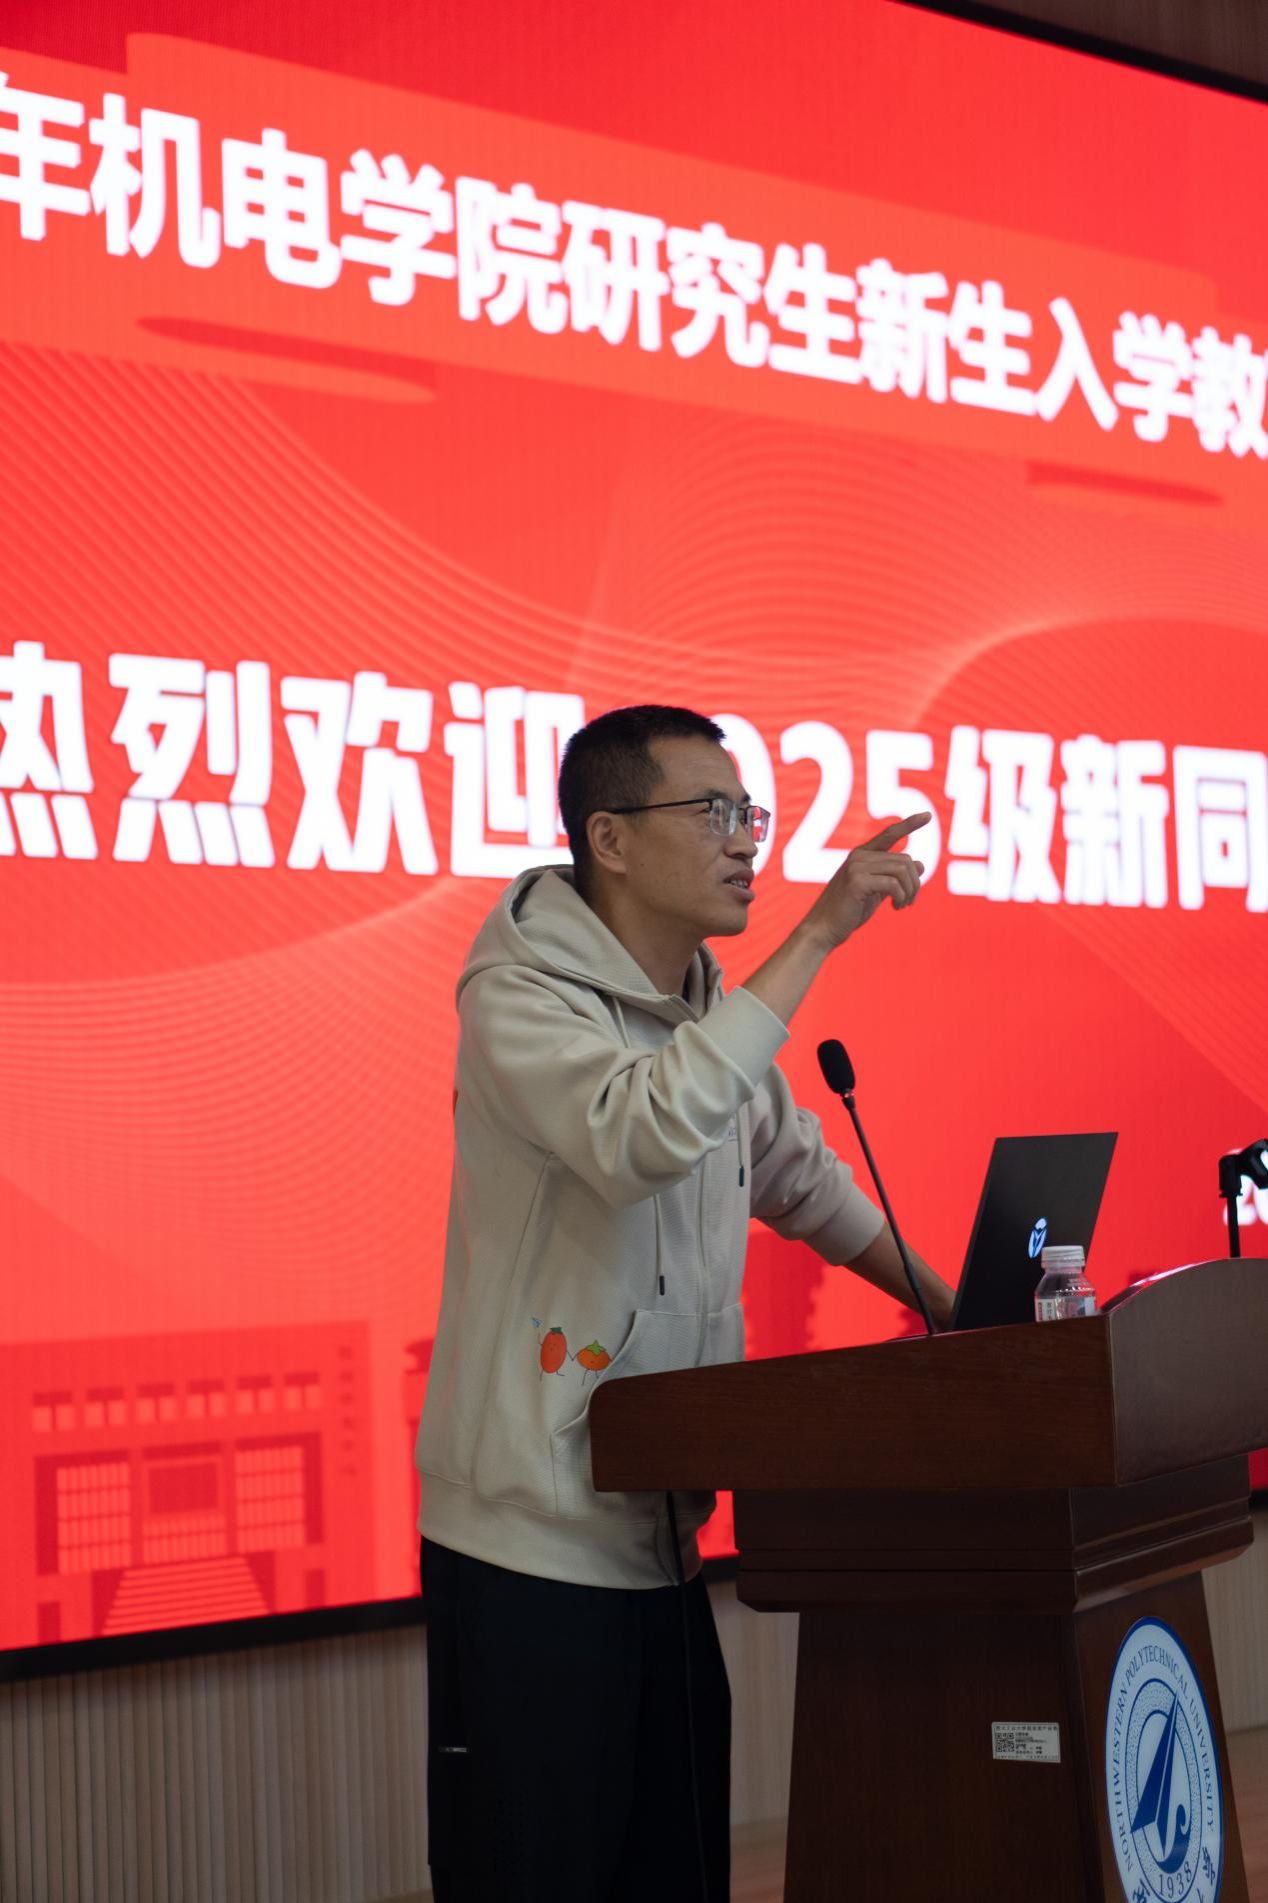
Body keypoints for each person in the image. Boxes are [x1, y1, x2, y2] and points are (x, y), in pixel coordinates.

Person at [416, 704, 954, 1902]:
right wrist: (816, 934)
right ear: (607, 838)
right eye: (712, 812)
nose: (745, 839)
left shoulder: (704, 1009)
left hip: (661, 1542)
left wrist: (958, 1309)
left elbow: (801, 1180)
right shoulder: (518, 996)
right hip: (528, 1557)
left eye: (746, 812)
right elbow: (639, 1131)